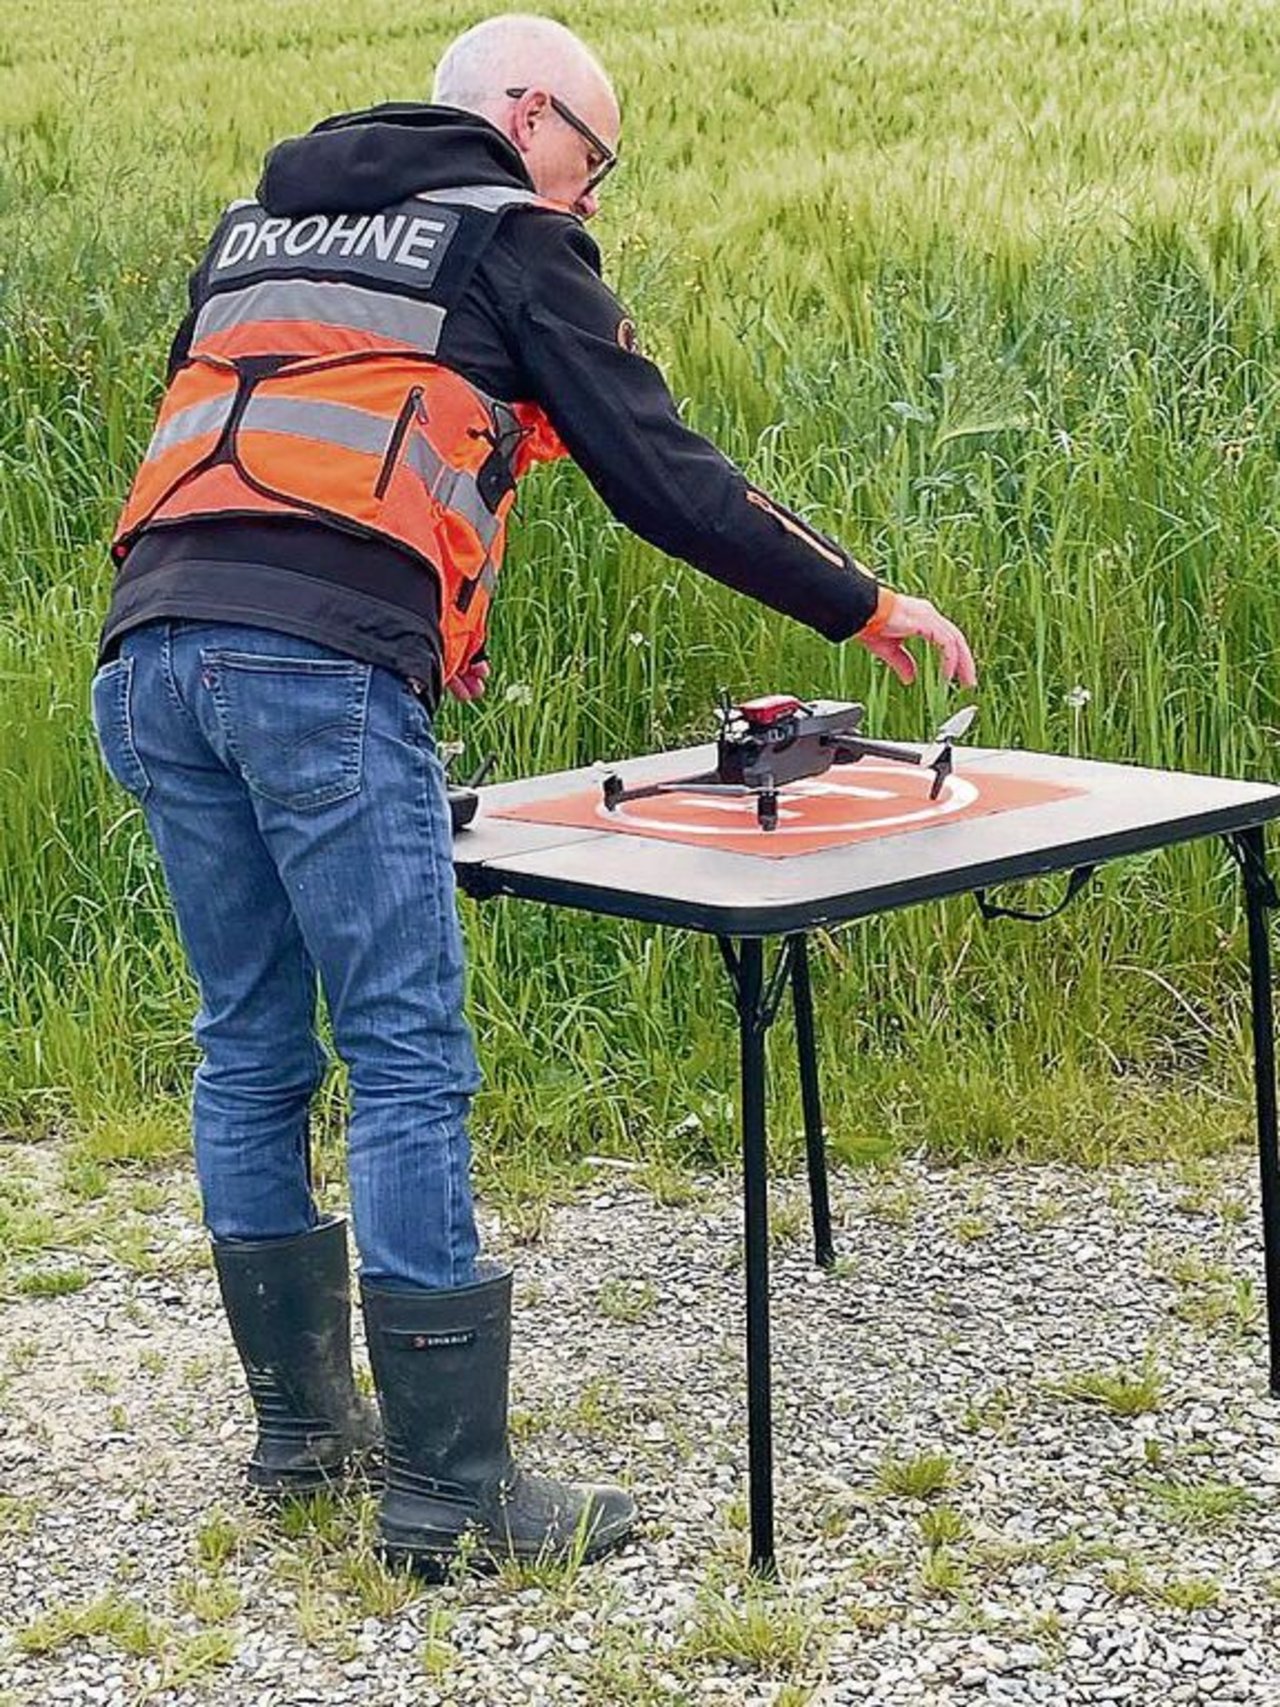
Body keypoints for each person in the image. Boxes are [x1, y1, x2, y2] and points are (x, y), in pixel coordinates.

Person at [91, 13, 977, 1576]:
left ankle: (304, 1441)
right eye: (596, 160)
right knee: (407, 1053)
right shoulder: (505, 232)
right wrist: (861, 603)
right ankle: (450, 1492)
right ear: (525, 113)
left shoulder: (263, 229)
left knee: (247, 1040)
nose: (594, 199)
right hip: (318, 671)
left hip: (152, 652)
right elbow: (667, 474)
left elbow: (283, 429)